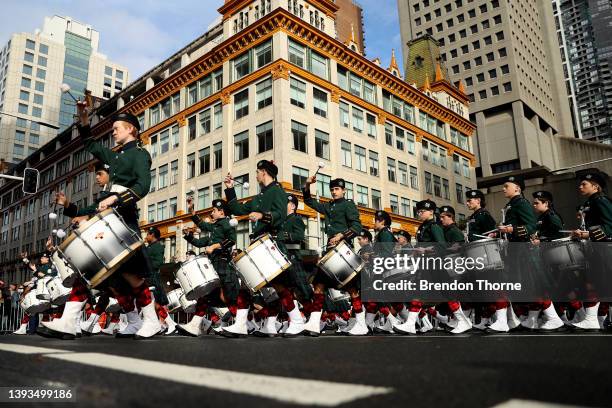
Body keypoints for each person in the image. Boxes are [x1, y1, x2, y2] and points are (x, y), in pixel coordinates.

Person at [39, 103, 159, 340]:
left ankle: (152, 321)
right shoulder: (116, 156)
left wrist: (116, 197)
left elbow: (143, 186)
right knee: (88, 268)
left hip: (124, 221)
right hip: (107, 219)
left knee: (133, 277)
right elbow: (91, 145)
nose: (113, 132)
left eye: (117, 128)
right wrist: (84, 123)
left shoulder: (140, 154)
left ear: (131, 130)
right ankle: (69, 322)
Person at [222, 159, 287, 337]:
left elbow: (281, 215)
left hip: (269, 243)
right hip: (258, 244)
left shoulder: (277, 191)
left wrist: (262, 215)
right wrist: (229, 188)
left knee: (278, 287)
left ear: (264, 172)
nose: (256, 175)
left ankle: (293, 320)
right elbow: (237, 209)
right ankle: (247, 325)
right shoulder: (259, 196)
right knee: (249, 284)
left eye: (257, 172)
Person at [301, 176, 362, 336]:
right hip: (330, 251)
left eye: (337, 189)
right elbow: (309, 201)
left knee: (352, 289)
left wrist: (342, 235)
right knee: (319, 285)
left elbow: (357, 227)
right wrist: (307, 185)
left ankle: (361, 323)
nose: (334, 192)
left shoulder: (348, 205)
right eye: (332, 189)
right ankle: (314, 323)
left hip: (343, 249)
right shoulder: (329, 206)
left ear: (343, 190)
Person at [177, 198, 238, 337]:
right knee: (206, 296)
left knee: (228, 297)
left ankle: (243, 323)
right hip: (213, 265)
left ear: (221, 212)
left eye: (214, 210)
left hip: (223, 263)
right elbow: (200, 237)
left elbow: (231, 240)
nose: (212, 212)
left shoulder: (226, 224)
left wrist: (215, 246)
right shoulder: (215, 227)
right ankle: (194, 325)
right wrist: (191, 212)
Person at [487, 175, 537, 333]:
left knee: (530, 285)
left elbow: (531, 226)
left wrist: (510, 229)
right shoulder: (511, 205)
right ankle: (507, 321)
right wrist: (498, 234)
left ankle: (553, 318)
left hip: (521, 250)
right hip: (513, 250)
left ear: (517, 188)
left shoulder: (521, 203)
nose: (503, 189)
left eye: (506, 186)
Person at [570, 172, 612, 330]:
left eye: (584, 184)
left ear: (595, 186)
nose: (580, 187)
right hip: (595, 248)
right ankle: (593, 319)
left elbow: (610, 226)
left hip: (605, 248)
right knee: (595, 284)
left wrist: (588, 233)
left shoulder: (601, 201)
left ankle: (594, 319)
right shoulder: (591, 202)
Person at [523, 191, 565, 331]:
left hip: (551, 256)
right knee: (540, 287)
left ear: (546, 203)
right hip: (545, 255)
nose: (534, 205)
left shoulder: (551, 216)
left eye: (537, 203)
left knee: (544, 287)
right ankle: (533, 320)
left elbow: (558, 233)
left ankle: (555, 319)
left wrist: (540, 239)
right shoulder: (542, 217)